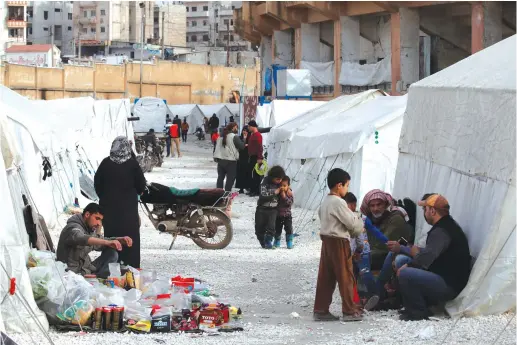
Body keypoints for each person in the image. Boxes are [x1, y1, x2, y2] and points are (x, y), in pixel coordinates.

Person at [396, 194, 471, 321]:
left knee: (405, 272)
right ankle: (415, 304)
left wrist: (409, 265)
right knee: (402, 260)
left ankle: (418, 311)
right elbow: (434, 254)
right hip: (442, 274)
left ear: (432, 210)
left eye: (425, 209)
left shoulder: (442, 231)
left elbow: (426, 258)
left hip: (448, 284)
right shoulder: (446, 226)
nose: (424, 213)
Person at [313, 169, 364, 322]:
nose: (347, 189)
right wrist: (359, 223)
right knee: (345, 276)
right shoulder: (339, 202)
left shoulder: (326, 201)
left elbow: (320, 214)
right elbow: (352, 223)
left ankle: (321, 310)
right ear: (339, 185)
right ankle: (349, 311)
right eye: (347, 186)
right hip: (339, 242)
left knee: (326, 277)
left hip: (326, 240)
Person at [94, 136, 146, 268]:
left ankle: (111, 268)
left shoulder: (105, 163)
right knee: (130, 240)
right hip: (128, 211)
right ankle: (131, 269)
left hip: (109, 210)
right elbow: (141, 186)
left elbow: (97, 185)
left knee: (112, 238)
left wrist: (106, 198)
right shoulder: (132, 164)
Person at [56, 203, 133, 278]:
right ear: (87, 215)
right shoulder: (72, 227)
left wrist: (120, 240)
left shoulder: (88, 228)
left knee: (112, 253)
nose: (99, 223)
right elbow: (80, 237)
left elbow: (100, 241)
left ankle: (102, 277)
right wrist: (108, 242)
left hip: (86, 269)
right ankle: (101, 277)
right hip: (72, 274)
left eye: (100, 220)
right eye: (97, 218)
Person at [344, 192, 385, 311]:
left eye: (350, 205)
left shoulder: (362, 217)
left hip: (363, 252)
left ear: (353, 205)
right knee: (353, 276)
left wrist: (386, 241)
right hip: (349, 253)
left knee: (365, 272)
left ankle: (374, 294)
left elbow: (373, 231)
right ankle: (359, 299)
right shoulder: (343, 219)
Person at [359, 189, 414, 270]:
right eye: (372, 206)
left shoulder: (395, 218)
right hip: (375, 252)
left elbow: (385, 245)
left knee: (360, 259)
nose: (375, 209)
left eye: (379, 204)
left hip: (390, 254)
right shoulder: (370, 218)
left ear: (385, 204)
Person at [255, 165, 285, 249]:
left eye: (281, 179)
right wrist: (275, 193)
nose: (279, 181)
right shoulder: (264, 182)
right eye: (277, 179)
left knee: (271, 227)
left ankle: (268, 241)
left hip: (273, 209)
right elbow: (263, 196)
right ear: (272, 177)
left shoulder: (280, 183)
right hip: (262, 208)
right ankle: (262, 241)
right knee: (259, 228)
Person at [213, 122, 245, 191]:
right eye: (236, 127)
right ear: (233, 127)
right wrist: (245, 138)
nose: (237, 129)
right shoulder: (234, 136)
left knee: (220, 178)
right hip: (231, 161)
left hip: (221, 160)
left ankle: (218, 193)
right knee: (230, 179)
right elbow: (242, 147)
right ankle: (227, 194)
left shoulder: (220, 136)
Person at [274, 176, 294, 249]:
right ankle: (277, 241)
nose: (282, 187)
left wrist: (284, 197)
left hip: (287, 215)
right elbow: (273, 199)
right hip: (278, 215)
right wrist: (277, 193)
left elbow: (290, 202)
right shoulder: (278, 193)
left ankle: (289, 242)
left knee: (288, 229)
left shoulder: (289, 193)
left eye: (284, 186)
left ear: (288, 186)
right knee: (277, 229)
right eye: (281, 185)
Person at [247, 120, 263, 197]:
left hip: (256, 157)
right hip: (252, 156)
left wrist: (259, 157)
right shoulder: (252, 135)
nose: (248, 128)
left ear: (253, 126)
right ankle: (253, 189)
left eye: (249, 126)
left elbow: (260, 147)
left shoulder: (258, 135)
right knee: (252, 174)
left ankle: (255, 191)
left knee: (255, 174)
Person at [235, 126, 250, 194]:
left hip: (247, 157)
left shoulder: (250, 138)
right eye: (243, 130)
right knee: (240, 173)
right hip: (240, 157)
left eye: (246, 130)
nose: (244, 132)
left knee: (246, 173)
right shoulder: (239, 138)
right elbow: (239, 146)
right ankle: (241, 188)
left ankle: (247, 186)